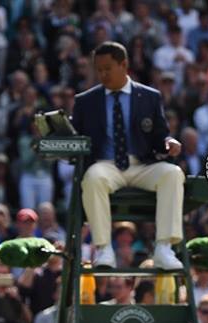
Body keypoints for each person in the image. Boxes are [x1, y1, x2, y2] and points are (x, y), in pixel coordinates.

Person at [72, 42, 184, 270]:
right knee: (92, 178)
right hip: (106, 165)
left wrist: (169, 142)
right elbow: (76, 139)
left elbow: (161, 136)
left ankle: (164, 248)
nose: (102, 74)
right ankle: (103, 249)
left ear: (124, 65)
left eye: (107, 68)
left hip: (142, 165)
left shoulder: (150, 97)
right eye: (99, 69)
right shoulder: (85, 101)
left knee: (173, 174)